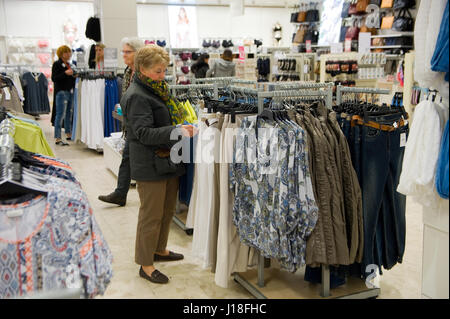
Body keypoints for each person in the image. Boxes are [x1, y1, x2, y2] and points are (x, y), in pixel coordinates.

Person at [121, 45, 196, 284]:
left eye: (164, 70)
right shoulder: (136, 95)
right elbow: (143, 133)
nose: (163, 75)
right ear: (142, 69)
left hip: (165, 160)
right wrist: (177, 130)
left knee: (166, 211)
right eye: (157, 71)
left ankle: (159, 249)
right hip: (149, 164)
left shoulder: (156, 89)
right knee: (150, 216)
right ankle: (145, 263)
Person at [98, 37, 144, 206]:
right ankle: (120, 193)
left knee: (132, 159)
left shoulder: (143, 72)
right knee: (126, 158)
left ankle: (123, 193)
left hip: (140, 123)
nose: (123, 55)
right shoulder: (127, 71)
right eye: (123, 51)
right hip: (130, 122)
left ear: (137, 52)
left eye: (127, 52)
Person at [51, 45, 76, 146]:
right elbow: (54, 78)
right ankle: (57, 137)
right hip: (61, 92)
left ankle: (68, 133)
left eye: (69, 52)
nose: (68, 54)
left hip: (69, 92)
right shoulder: (57, 64)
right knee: (60, 115)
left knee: (68, 114)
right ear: (61, 54)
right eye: (66, 52)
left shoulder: (69, 64)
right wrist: (65, 73)